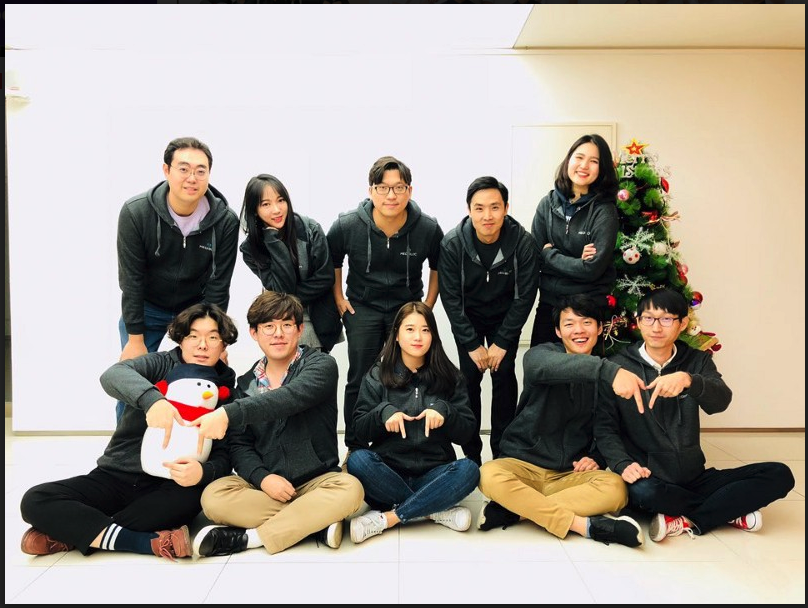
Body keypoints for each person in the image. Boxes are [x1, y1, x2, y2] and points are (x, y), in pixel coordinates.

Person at [19, 303, 239, 560]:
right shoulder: (160, 363)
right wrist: (152, 400)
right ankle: (145, 542)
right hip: (116, 475)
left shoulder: (227, 388)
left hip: (172, 484)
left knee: (190, 502)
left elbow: (225, 455)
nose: (202, 345)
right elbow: (113, 375)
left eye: (212, 337)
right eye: (193, 336)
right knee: (35, 499)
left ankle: (70, 533)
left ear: (224, 345)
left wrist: (203, 472)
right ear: (181, 340)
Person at [595, 288, 795, 542]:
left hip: (694, 477)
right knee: (645, 494)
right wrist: (622, 464)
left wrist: (690, 381)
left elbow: (721, 401)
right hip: (649, 477)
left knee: (779, 474)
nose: (656, 327)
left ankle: (687, 518)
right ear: (638, 321)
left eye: (666, 319)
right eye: (649, 318)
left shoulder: (697, 361)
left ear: (682, 324)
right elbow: (604, 427)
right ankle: (728, 510)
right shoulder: (618, 366)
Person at [191, 291, 364, 557]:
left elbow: (288, 398)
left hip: (319, 481)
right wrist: (263, 478)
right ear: (254, 333)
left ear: (300, 329)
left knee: (351, 489)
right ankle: (314, 523)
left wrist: (227, 414)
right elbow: (240, 445)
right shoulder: (245, 384)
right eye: (268, 326)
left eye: (287, 325)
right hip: (268, 488)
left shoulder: (321, 365)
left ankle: (250, 538)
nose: (278, 334)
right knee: (213, 497)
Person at [477, 294, 644, 548]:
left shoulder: (605, 377)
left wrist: (596, 457)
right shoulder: (539, 356)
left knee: (615, 488)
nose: (578, 330)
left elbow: (605, 427)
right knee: (488, 474)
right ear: (558, 331)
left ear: (600, 328)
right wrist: (610, 371)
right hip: (522, 466)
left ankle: (516, 510)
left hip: (568, 474)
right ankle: (586, 526)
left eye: (586, 322)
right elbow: (544, 367)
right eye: (569, 324)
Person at [115, 136, 240, 422]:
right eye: (183, 169)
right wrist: (135, 339)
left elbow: (219, 283)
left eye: (200, 170)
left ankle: (190, 444)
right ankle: (125, 446)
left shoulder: (225, 221)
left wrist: (217, 338)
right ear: (166, 170)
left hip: (195, 310)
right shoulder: (136, 212)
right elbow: (131, 281)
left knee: (198, 381)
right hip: (146, 307)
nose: (192, 178)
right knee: (132, 380)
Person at [327, 155, 444, 452]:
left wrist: (427, 305)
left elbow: (438, 265)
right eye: (382, 187)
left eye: (399, 187)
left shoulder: (427, 227)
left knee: (403, 375)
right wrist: (339, 298)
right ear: (371, 190)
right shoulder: (348, 224)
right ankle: (354, 447)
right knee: (359, 377)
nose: (391, 195)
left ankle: (397, 445)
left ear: (410, 190)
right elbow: (333, 260)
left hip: (405, 308)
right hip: (363, 307)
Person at [347, 302, 480, 544]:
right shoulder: (377, 375)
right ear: (396, 335)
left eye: (425, 330)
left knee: (469, 470)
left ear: (433, 336)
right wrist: (382, 413)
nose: (418, 337)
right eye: (410, 329)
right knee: (357, 460)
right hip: (388, 474)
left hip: (434, 473)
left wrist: (446, 411)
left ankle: (390, 517)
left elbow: (466, 433)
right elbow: (359, 430)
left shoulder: (451, 377)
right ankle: (433, 509)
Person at [438, 176, 539, 465]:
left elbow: (525, 296)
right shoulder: (453, 243)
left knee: (504, 375)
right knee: (468, 378)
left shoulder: (523, 243)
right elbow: (451, 298)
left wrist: (503, 341)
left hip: (505, 318)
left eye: (495, 207)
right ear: (469, 209)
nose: (487, 216)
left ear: (506, 208)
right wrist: (471, 344)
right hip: (468, 318)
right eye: (479, 208)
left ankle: (503, 452)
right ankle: (471, 454)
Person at [529, 133, 619, 348]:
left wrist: (550, 254)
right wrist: (577, 262)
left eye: (594, 161)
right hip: (550, 305)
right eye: (579, 157)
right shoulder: (547, 204)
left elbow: (592, 269)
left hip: (588, 308)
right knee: (539, 364)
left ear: (602, 169)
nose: (584, 166)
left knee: (585, 369)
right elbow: (534, 257)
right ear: (568, 160)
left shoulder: (604, 211)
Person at [239, 174, 343, 353]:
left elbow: (325, 277)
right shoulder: (251, 249)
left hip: (319, 318)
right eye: (266, 204)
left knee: (316, 366)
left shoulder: (309, 229)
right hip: (282, 323)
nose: (276, 210)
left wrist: (289, 299)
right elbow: (282, 288)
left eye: (281, 200)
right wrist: (273, 241)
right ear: (255, 210)